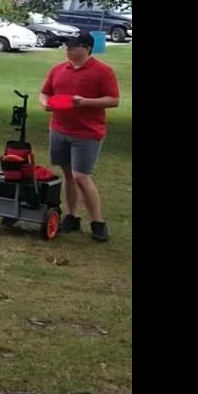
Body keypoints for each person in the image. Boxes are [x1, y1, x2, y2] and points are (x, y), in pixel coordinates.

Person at [39, 31, 120, 242]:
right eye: (67, 46)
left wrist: (84, 102)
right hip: (59, 129)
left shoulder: (103, 71)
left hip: (87, 132)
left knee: (81, 177)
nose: (68, 50)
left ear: (87, 48)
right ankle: (72, 216)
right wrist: (46, 103)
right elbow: (45, 92)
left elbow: (113, 100)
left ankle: (97, 222)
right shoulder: (58, 70)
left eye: (73, 46)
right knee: (68, 175)